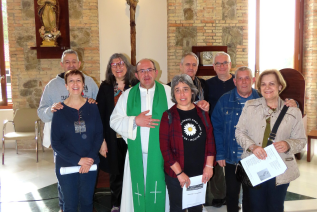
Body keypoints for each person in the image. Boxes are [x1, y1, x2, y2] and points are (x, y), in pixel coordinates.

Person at [235, 69, 307, 212]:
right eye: (263, 84)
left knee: (275, 207)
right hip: (254, 166)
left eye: (272, 84)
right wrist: (253, 146)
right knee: (254, 207)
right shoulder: (250, 106)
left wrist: (288, 144)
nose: (267, 88)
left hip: (279, 169)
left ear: (280, 86)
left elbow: (300, 140)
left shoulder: (293, 112)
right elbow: (239, 132)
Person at [37, 49, 98, 212]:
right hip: (64, 142)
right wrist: (52, 109)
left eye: (74, 62)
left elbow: (97, 110)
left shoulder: (90, 82)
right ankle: (64, 206)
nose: (70, 64)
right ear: (62, 64)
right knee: (66, 188)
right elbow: (41, 112)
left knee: (86, 195)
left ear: (79, 64)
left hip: (86, 143)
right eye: (67, 62)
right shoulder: (52, 86)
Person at [159, 74, 216, 211]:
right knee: (177, 207)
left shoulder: (202, 113)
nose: (182, 94)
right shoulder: (168, 116)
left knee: (196, 208)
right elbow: (165, 148)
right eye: (177, 90)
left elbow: (210, 141)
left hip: (199, 172)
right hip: (176, 174)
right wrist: (179, 173)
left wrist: (209, 166)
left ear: (192, 91)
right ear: (173, 93)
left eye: (185, 89)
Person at [51, 69, 103, 212]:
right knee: (70, 205)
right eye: (71, 81)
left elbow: (98, 134)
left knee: (87, 203)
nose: (75, 83)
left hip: (89, 164)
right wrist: (77, 160)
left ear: (83, 84)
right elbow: (55, 142)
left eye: (78, 80)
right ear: (66, 86)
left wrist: (90, 158)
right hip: (67, 164)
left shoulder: (92, 107)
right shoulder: (59, 110)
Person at [96, 53, 138, 212]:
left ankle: (133, 201)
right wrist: (102, 141)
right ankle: (117, 203)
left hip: (132, 136)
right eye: (114, 64)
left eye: (121, 63)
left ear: (127, 66)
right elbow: (100, 115)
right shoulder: (106, 87)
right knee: (116, 172)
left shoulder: (135, 85)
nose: (118, 67)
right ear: (110, 68)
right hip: (112, 138)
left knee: (133, 169)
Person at [205, 52, 234, 207]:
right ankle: (219, 194)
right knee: (215, 161)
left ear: (230, 64)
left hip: (236, 129)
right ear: (214, 67)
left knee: (233, 163)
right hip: (214, 129)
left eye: (225, 63)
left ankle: (233, 194)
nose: (222, 66)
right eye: (218, 64)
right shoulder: (207, 85)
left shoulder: (239, 81)